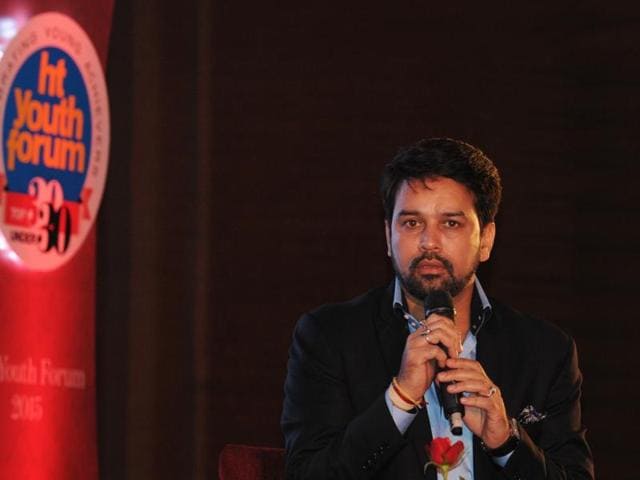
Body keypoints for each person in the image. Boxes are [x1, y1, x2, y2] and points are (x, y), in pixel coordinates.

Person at [281, 138, 594, 480]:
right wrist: (399, 398)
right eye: (412, 223)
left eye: (450, 224)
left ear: (486, 239)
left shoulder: (546, 351)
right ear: (388, 236)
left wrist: (506, 442)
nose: (429, 243)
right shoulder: (330, 337)